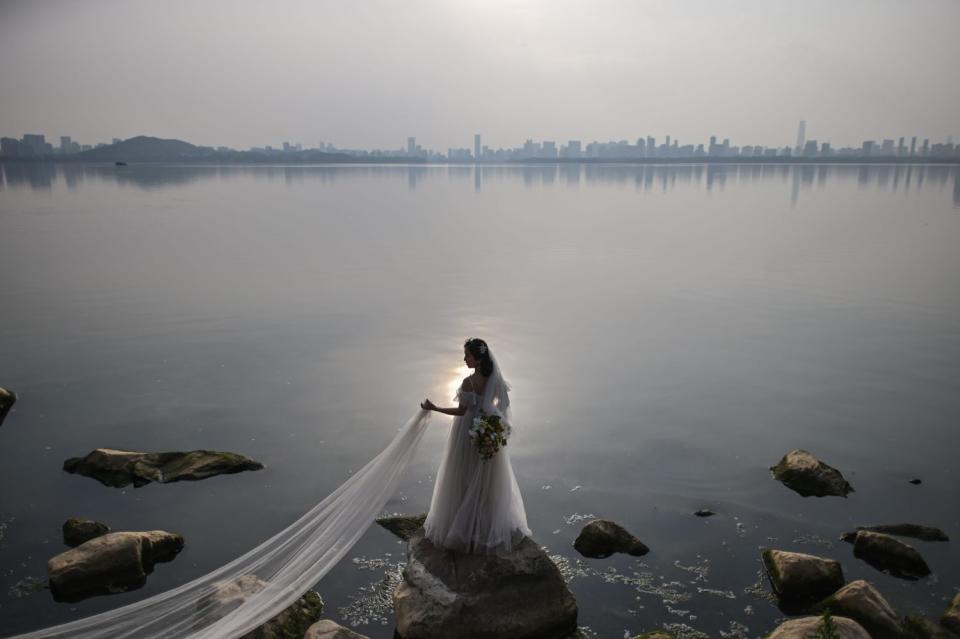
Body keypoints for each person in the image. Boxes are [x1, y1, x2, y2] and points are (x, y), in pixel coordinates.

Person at [419, 338, 531, 555]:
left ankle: (462, 526)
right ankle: (484, 524)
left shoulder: (468, 383)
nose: (465, 359)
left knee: (463, 474)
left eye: (468, 356)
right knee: (487, 479)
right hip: (488, 432)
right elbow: (504, 405)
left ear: (478, 359)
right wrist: (492, 420)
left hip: (466, 433)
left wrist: (434, 407)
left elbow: (461, 412)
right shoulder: (495, 380)